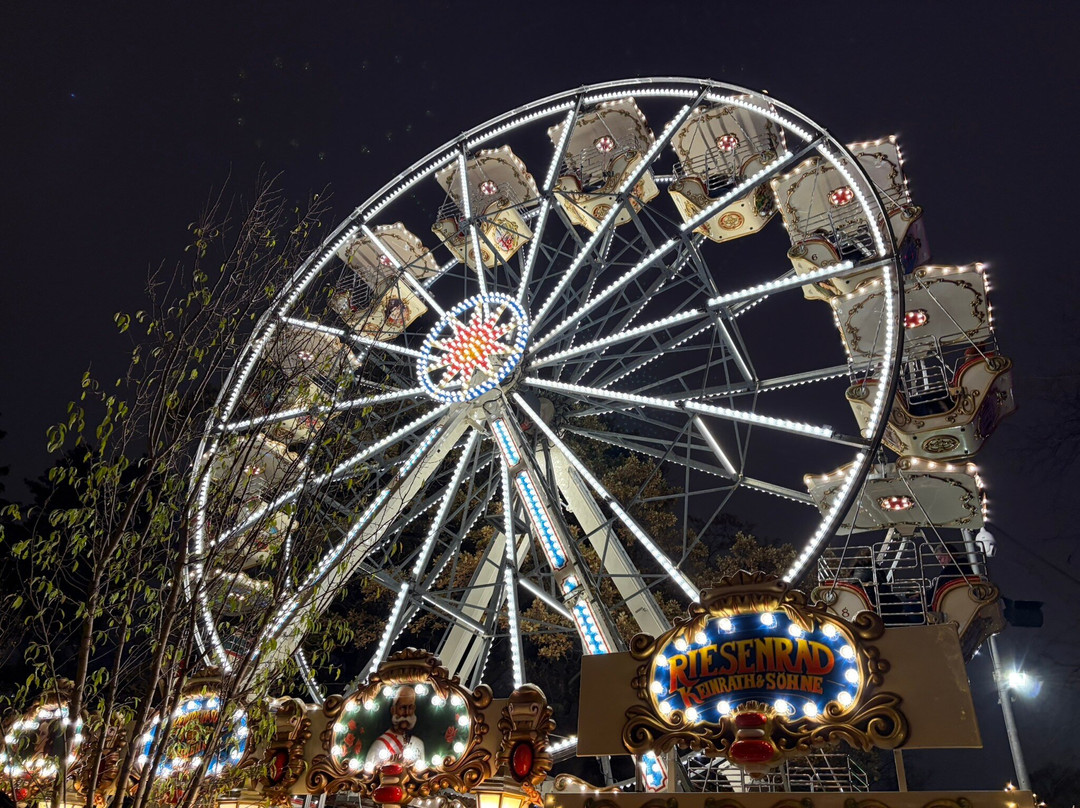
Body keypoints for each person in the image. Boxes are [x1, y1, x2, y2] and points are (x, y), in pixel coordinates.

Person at [365, 685, 426, 769]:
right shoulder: (379, 745)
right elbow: (369, 773)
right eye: (402, 708)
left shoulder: (418, 743)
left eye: (410, 707)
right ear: (393, 710)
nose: (407, 713)